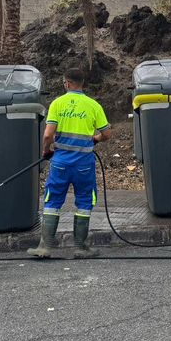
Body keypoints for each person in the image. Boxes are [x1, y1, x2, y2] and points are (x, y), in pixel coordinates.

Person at [27, 67, 112, 260]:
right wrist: (95, 139)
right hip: (84, 165)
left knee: (53, 200)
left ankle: (45, 247)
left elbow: (48, 134)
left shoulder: (58, 103)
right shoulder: (93, 105)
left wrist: (46, 151)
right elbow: (107, 134)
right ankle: (81, 247)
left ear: (67, 83)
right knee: (84, 202)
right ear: (82, 83)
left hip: (60, 164)